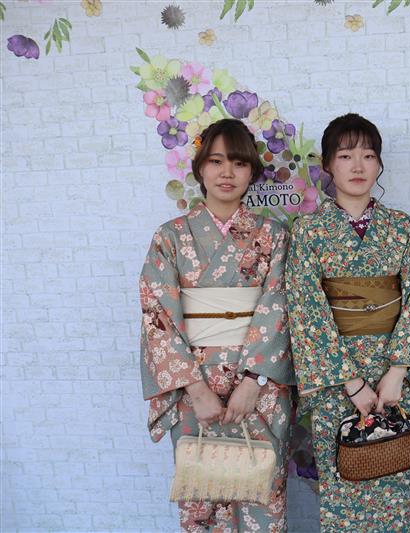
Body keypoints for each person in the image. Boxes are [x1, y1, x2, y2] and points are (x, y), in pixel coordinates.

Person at [285, 113, 410, 532]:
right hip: (337, 384)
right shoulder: (309, 231)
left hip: (393, 381)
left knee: (396, 489)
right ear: (327, 165)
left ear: (379, 164)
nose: (357, 166)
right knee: (343, 492)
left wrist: (398, 372)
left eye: (368, 156)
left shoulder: (400, 227)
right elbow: (305, 309)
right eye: (345, 156)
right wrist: (352, 384)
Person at [140, 118, 294, 532]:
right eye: (216, 161)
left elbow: (279, 305)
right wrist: (196, 389)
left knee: (263, 496)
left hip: (259, 387)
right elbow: (158, 316)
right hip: (194, 387)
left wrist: (253, 381)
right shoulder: (170, 237)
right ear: (200, 168)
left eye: (239, 163)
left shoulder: (273, 235)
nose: (227, 173)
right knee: (202, 496)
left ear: (252, 172)